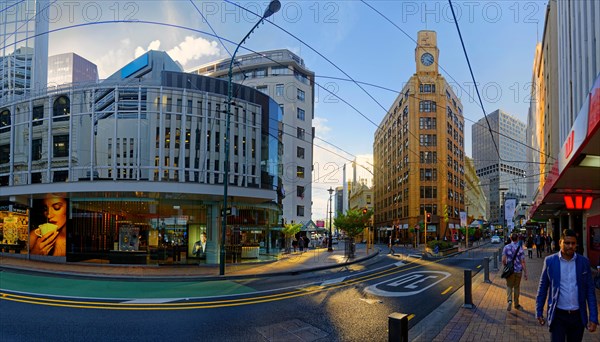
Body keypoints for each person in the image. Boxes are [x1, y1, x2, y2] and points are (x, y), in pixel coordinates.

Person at [536, 229, 598, 341]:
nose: (570, 246)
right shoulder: (550, 261)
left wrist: (593, 318)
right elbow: (542, 288)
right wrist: (539, 311)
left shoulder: (583, 262)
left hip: (577, 317)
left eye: (573, 243)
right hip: (558, 315)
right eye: (567, 243)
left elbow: (590, 291)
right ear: (560, 242)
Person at [502, 233, 528, 311]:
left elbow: (503, 260)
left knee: (509, 286)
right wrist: (525, 272)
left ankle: (509, 300)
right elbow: (523, 261)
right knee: (516, 287)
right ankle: (516, 304)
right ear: (517, 239)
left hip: (510, 271)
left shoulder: (506, 247)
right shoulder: (520, 248)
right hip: (518, 270)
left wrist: (506, 266)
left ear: (510, 238)